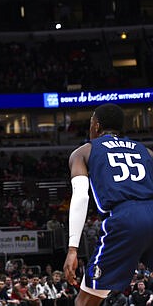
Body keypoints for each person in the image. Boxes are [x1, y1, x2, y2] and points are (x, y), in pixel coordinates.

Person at [63, 103, 153, 306]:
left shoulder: (84, 152)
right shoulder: (146, 152)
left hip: (124, 219)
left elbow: (81, 197)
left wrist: (72, 249)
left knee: (86, 301)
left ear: (96, 126)